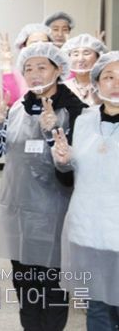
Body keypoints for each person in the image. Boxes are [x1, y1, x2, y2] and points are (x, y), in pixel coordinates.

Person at [0, 42, 86, 331]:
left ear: (58, 69)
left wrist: (53, 132)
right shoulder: (18, 107)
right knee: (25, 284)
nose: (34, 74)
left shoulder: (76, 111)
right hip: (17, 210)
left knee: (52, 287)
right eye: (28, 68)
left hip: (54, 213)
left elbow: (74, 167)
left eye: (42, 67)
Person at [52, 51, 119, 330]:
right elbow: (69, 178)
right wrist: (63, 162)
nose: (116, 84)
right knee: (97, 307)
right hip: (88, 228)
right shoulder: (84, 121)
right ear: (97, 82)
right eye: (109, 76)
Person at [0, 23, 53, 107]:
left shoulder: (57, 70)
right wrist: (6, 64)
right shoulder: (18, 73)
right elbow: (11, 101)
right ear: (23, 47)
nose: (39, 47)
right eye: (34, 43)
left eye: (44, 43)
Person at [61, 33, 107, 106]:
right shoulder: (62, 87)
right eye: (76, 54)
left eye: (86, 53)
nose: (80, 59)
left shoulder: (106, 86)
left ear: (98, 57)